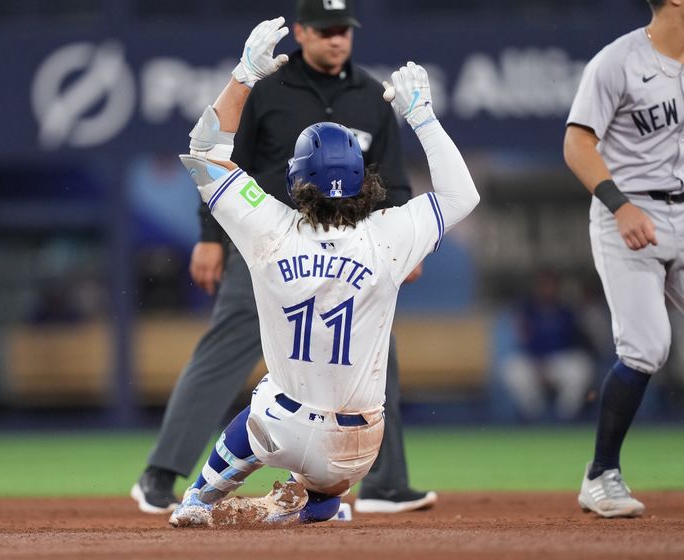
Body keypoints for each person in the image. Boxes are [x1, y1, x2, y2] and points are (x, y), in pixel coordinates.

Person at [167, 16, 478, 526]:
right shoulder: (392, 234)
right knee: (327, 475)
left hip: (279, 427)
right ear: (363, 179)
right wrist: (422, 117)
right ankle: (317, 504)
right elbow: (460, 194)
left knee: (263, 403)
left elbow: (204, 151)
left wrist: (244, 75)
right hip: (358, 447)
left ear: (296, 180)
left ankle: (198, 500)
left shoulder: (267, 225)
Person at [563, 0, 683, 518]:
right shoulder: (617, 62)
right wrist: (620, 204)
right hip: (630, 213)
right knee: (647, 346)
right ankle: (600, 474)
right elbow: (576, 144)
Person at [500, 270, 594, 421]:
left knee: (582, 367)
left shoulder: (566, 311)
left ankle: (564, 417)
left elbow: (575, 343)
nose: (547, 289)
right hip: (534, 363)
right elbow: (524, 341)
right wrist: (539, 364)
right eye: (543, 285)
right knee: (512, 369)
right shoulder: (527, 310)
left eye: (550, 285)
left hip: (559, 362)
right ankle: (536, 417)